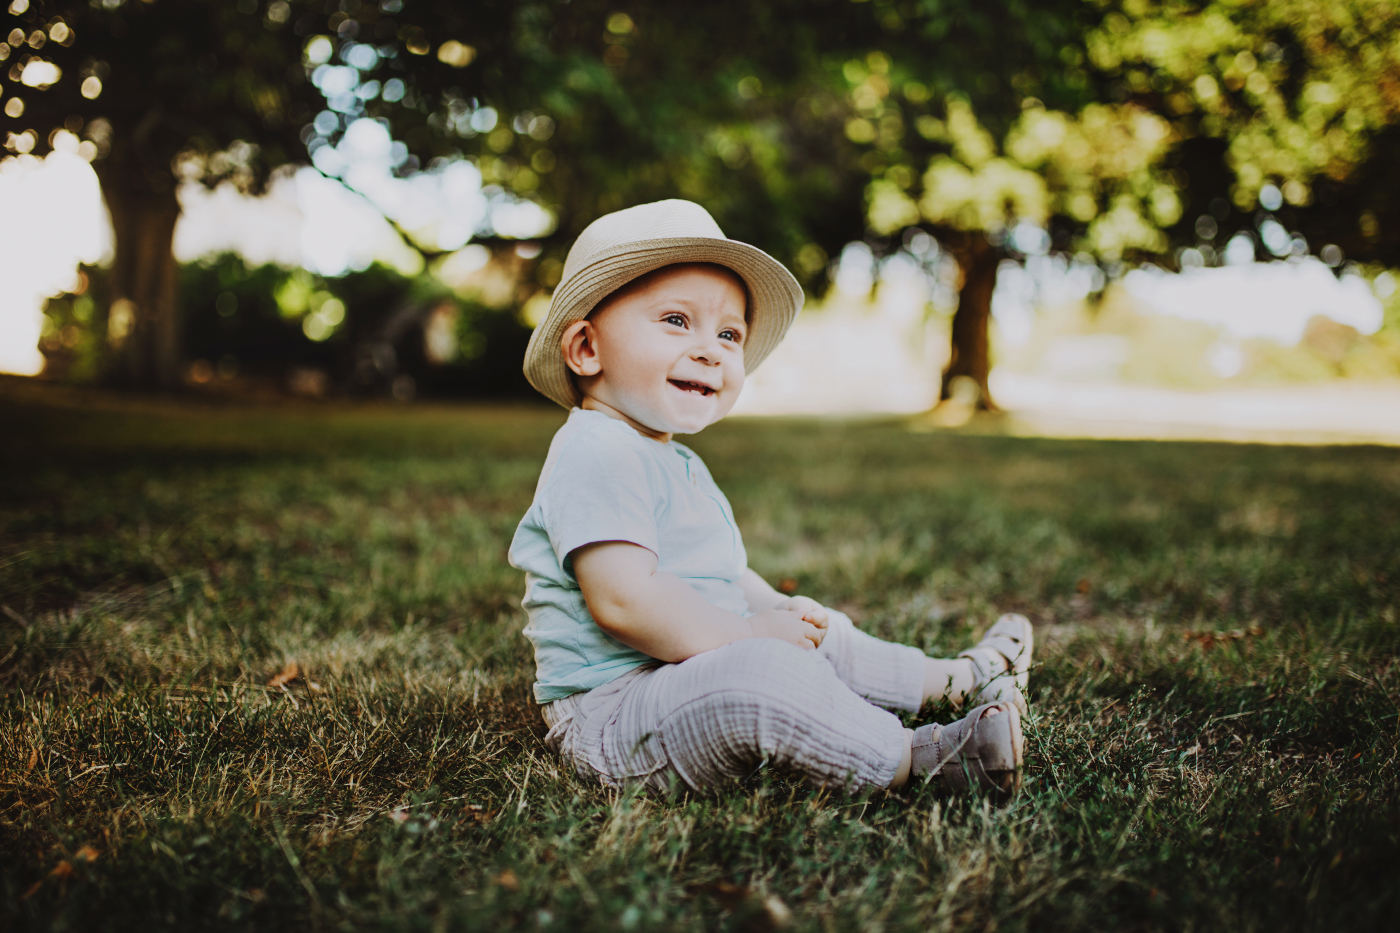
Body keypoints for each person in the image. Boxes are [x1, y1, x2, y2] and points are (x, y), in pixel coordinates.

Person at [508, 200, 1033, 798]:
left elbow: (722, 576)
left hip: (679, 672)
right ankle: (921, 761)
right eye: (676, 320)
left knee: (814, 629)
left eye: (729, 334)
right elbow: (625, 601)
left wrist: (774, 614)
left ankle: (955, 681)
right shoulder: (596, 450)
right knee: (761, 667)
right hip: (615, 715)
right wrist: (749, 635)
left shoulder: (673, 460)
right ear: (586, 349)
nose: (711, 349)